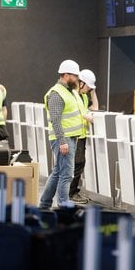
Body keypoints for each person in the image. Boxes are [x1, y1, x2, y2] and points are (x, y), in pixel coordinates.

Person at [39, 60, 83, 209]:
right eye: (75, 76)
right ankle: (64, 206)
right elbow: (55, 120)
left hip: (69, 138)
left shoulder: (69, 92)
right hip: (63, 139)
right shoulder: (56, 94)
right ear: (65, 75)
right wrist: (62, 141)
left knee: (58, 172)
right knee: (67, 174)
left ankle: (44, 204)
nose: (77, 79)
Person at [69, 69, 98, 204]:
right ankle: (71, 192)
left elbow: (95, 110)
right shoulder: (72, 95)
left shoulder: (85, 96)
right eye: (88, 86)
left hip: (81, 134)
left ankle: (73, 191)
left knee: (79, 164)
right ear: (81, 83)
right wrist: (87, 116)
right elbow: (77, 113)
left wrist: (93, 92)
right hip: (73, 135)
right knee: (75, 164)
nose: (88, 89)